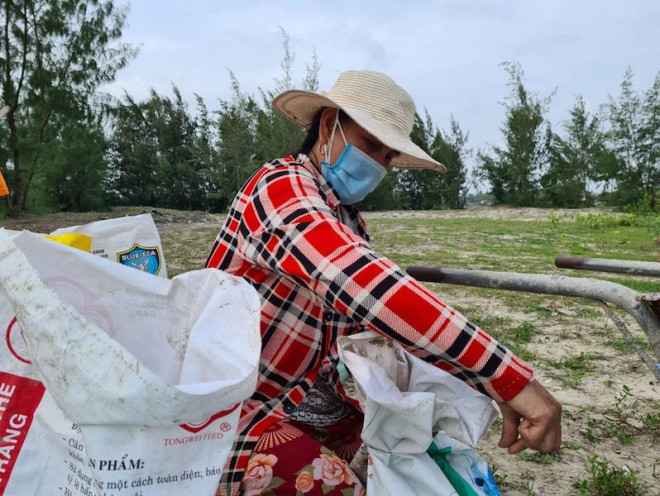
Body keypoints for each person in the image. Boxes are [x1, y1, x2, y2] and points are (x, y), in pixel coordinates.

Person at [206, 70, 562, 496]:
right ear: (328, 126)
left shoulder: (346, 219)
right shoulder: (280, 188)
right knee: (350, 486)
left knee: (411, 461)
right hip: (233, 412)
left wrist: (484, 383)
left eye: (388, 156)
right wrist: (510, 378)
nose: (378, 165)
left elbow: (377, 323)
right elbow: (365, 283)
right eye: (372, 145)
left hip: (303, 400)